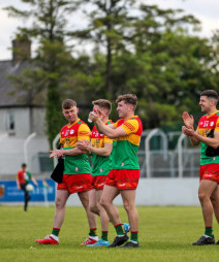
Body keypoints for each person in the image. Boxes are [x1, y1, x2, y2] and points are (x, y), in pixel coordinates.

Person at [36, 99, 97, 246]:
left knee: (87, 203)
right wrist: (60, 154)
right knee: (59, 202)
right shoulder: (64, 129)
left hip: (80, 170)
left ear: (76, 110)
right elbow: (66, 148)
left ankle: (94, 236)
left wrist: (62, 151)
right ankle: (54, 237)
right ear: (63, 113)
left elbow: (82, 150)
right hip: (66, 171)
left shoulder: (82, 127)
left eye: (71, 111)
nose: (69, 114)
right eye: (66, 112)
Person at [181, 90, 219, 246]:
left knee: (202, 194)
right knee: (215, 200)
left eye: (202, 100)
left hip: (216, 161)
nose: (200, 103)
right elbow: (195, 143)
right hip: (205, 162)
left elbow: (216, 142)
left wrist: (195, 134)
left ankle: (208, 234)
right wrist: (191, 131)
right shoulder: (203, 119)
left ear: (213, 102)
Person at [90, 94, 143, 248]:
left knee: (128, 205)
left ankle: (134, 240)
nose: (118, 108)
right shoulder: (121, 122)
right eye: (118, 105)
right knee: (104, 201)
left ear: (130, 107)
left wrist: (98, 121)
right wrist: (98, 120)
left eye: (120, 105)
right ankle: (120, 233)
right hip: (116, 168)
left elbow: (111, 133)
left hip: (128, 168)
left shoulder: (134, 123)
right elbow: (104, 130)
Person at [77, 99, 129, 247]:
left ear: (104, 112)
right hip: (95, 171)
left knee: (101, 206)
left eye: (95, 110)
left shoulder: (108, 128)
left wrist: (90, 149)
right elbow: (94, 150)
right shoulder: (96, 129)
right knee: (92, 207)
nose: (92, 113)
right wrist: (86, 148)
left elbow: (107, 151)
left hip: (105, 170)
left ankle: (104, 239)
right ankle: (120, 226)